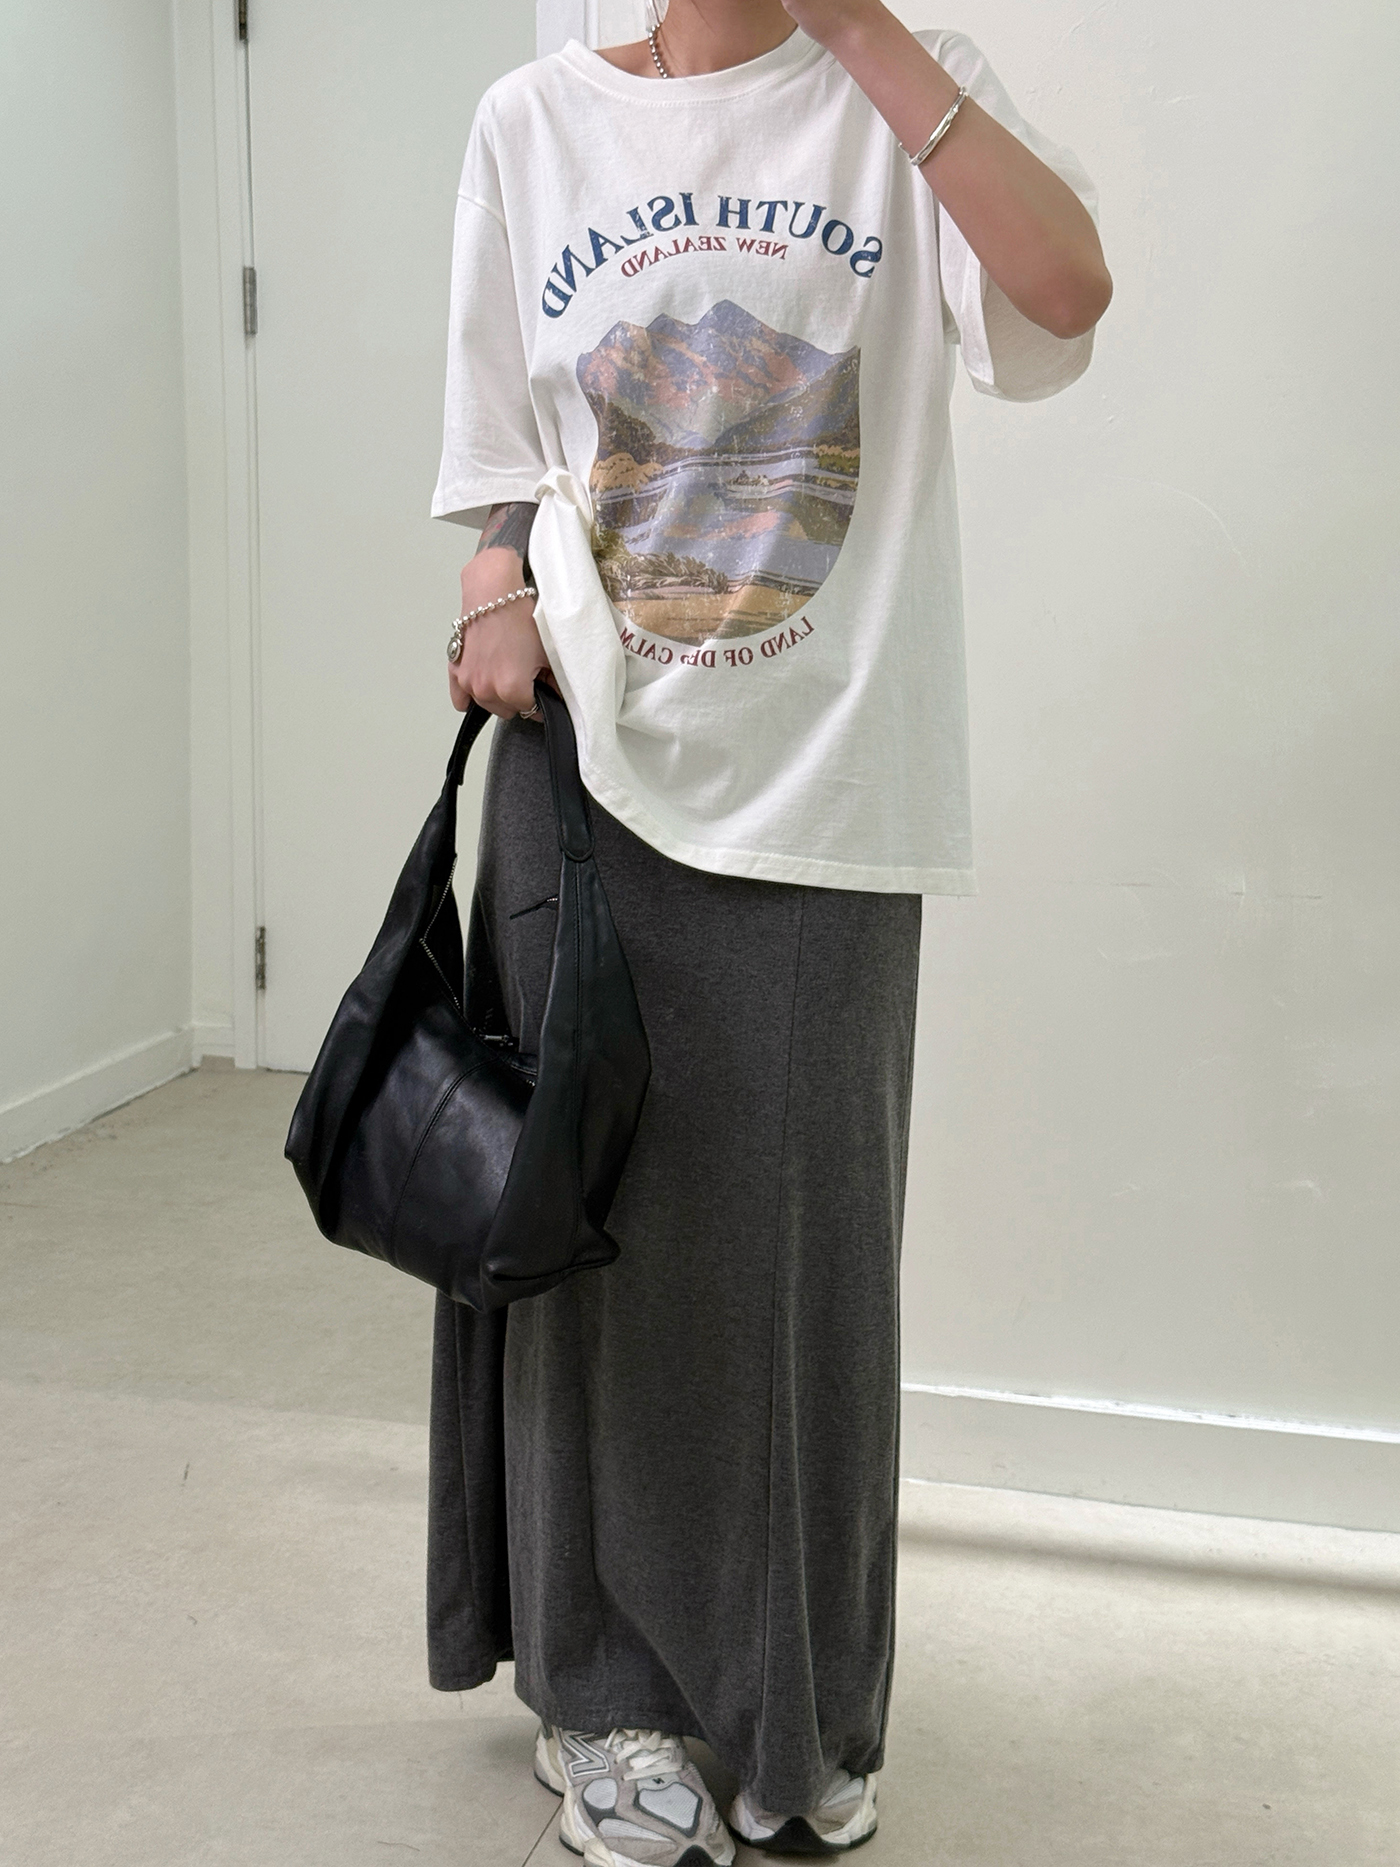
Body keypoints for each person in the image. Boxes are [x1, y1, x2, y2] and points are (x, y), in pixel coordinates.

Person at [428, 1, 1110, 1860]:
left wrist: (861, 27)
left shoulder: (900, 85)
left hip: (831, 775)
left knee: (809, 1261)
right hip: (584, 764)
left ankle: (797, 1707)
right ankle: (600, 1696)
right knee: (585, 1246)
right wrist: (489, 579)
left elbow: (1062, 294)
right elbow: (497, 440)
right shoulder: (532, 120)